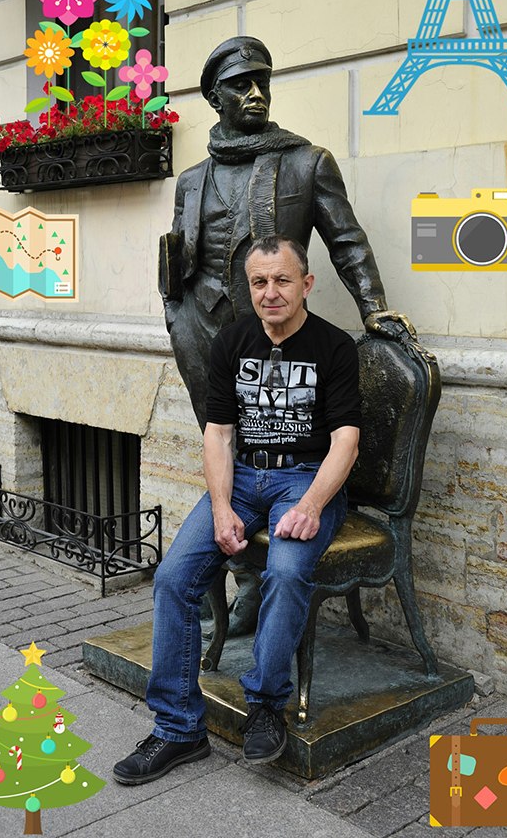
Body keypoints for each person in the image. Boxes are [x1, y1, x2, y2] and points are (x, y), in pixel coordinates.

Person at [158, 36, 413, 635]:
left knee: (272, 450)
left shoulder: (306, 162)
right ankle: (235, 574)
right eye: (240, 84)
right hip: (201, 331)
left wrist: (373, 308)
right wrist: (175, 316)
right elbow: (179, 258)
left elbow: (347, 241)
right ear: (215, 97)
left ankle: (258, 586)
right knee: (223, 452)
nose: (255, 93)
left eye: (262, 82)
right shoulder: (191, 180)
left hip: (272, 335)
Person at [114, 236, 361, 785]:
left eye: (282, 280)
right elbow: (219, 433)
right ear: (249, 289)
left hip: (305, 479)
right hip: (243, 479)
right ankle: (178, 729)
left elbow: (346, 440)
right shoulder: (232, 340)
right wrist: (223, 508)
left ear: (306, 284)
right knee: (174, 579)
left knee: (288, 571)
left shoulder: (335, 347)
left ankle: (267, 706)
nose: (271, 292)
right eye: (259, 282)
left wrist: (313, 504)